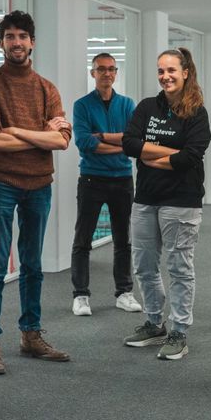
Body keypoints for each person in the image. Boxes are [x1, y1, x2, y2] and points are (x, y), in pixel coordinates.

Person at [0, 10, 72, 375]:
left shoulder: (47, 88)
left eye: (22, 36)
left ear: (32, 42)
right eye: (10, 36)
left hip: (39, 187)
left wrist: (18, 131)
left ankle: (31, 335)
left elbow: (61, 141)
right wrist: (38, 134)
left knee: (33, 266)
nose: (16, 42)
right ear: (2, 42)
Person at [120, 48, 211, 360]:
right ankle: (154, 322)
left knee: (179, 267)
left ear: (185, 72)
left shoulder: (196, 112)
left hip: (181, 201)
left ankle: (180, 330)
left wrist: (151, 156)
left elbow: (190, 157)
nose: (165, 76)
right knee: (144, 266)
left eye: (171, 70)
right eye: (161, 71)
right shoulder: (147, 107)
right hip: (146, 198)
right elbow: (128, 144)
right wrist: (169, 154)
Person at [70, 52, 140, 316]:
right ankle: (80, 295)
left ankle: (124, 292)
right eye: (101, 69)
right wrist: (119, 145)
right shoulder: (82, 105)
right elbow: (84, 143)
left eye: (111, 69)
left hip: (122, 179)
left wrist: (104, 138)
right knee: (83, 240)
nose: (107, 74)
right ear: (93, 73)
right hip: (91, 179)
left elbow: (134, 140)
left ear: (116, 73)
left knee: (123, 240)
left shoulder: (127, 104)